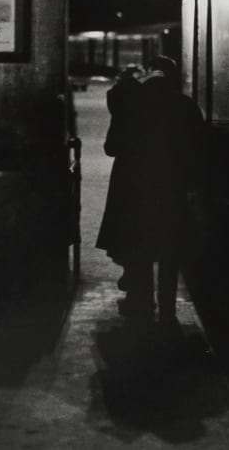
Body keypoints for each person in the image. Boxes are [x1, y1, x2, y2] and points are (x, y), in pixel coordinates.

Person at [101, 55, 206, 331]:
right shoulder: (186, 106)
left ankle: (143, 304)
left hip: (134, 188)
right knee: (170, 251)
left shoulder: (130, 104)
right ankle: (168, 312)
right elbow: (199, 151)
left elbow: (111, 147)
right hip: (172, 188)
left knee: (140, 248)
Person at [96, 64, 145, 290]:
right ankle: (139, 276)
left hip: (125, 172)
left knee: (124, 222)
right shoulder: (152, 106)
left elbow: (111, 147)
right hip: (150, 173)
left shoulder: (120, 108)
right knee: (142, 225)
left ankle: (131, 274)